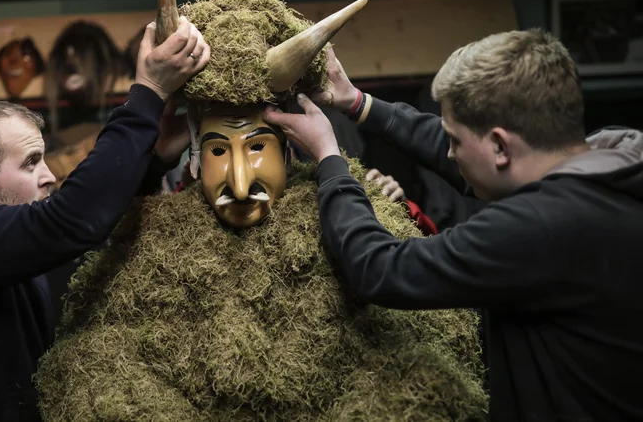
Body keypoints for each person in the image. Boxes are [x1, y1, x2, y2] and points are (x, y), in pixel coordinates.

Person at [263, 29, 643, 421]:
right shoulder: (609, 163)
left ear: (500, 146)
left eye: (455, 141)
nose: (448, 152)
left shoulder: (542, 227)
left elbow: (380, 269)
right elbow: (478, 165)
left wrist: (329, 158)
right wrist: (359, 104)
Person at [0, 16, 210, 422]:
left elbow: (89, 237)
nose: (49, 176)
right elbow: (71, 219)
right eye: (31, 163)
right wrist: (148, 94)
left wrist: (152, 160)